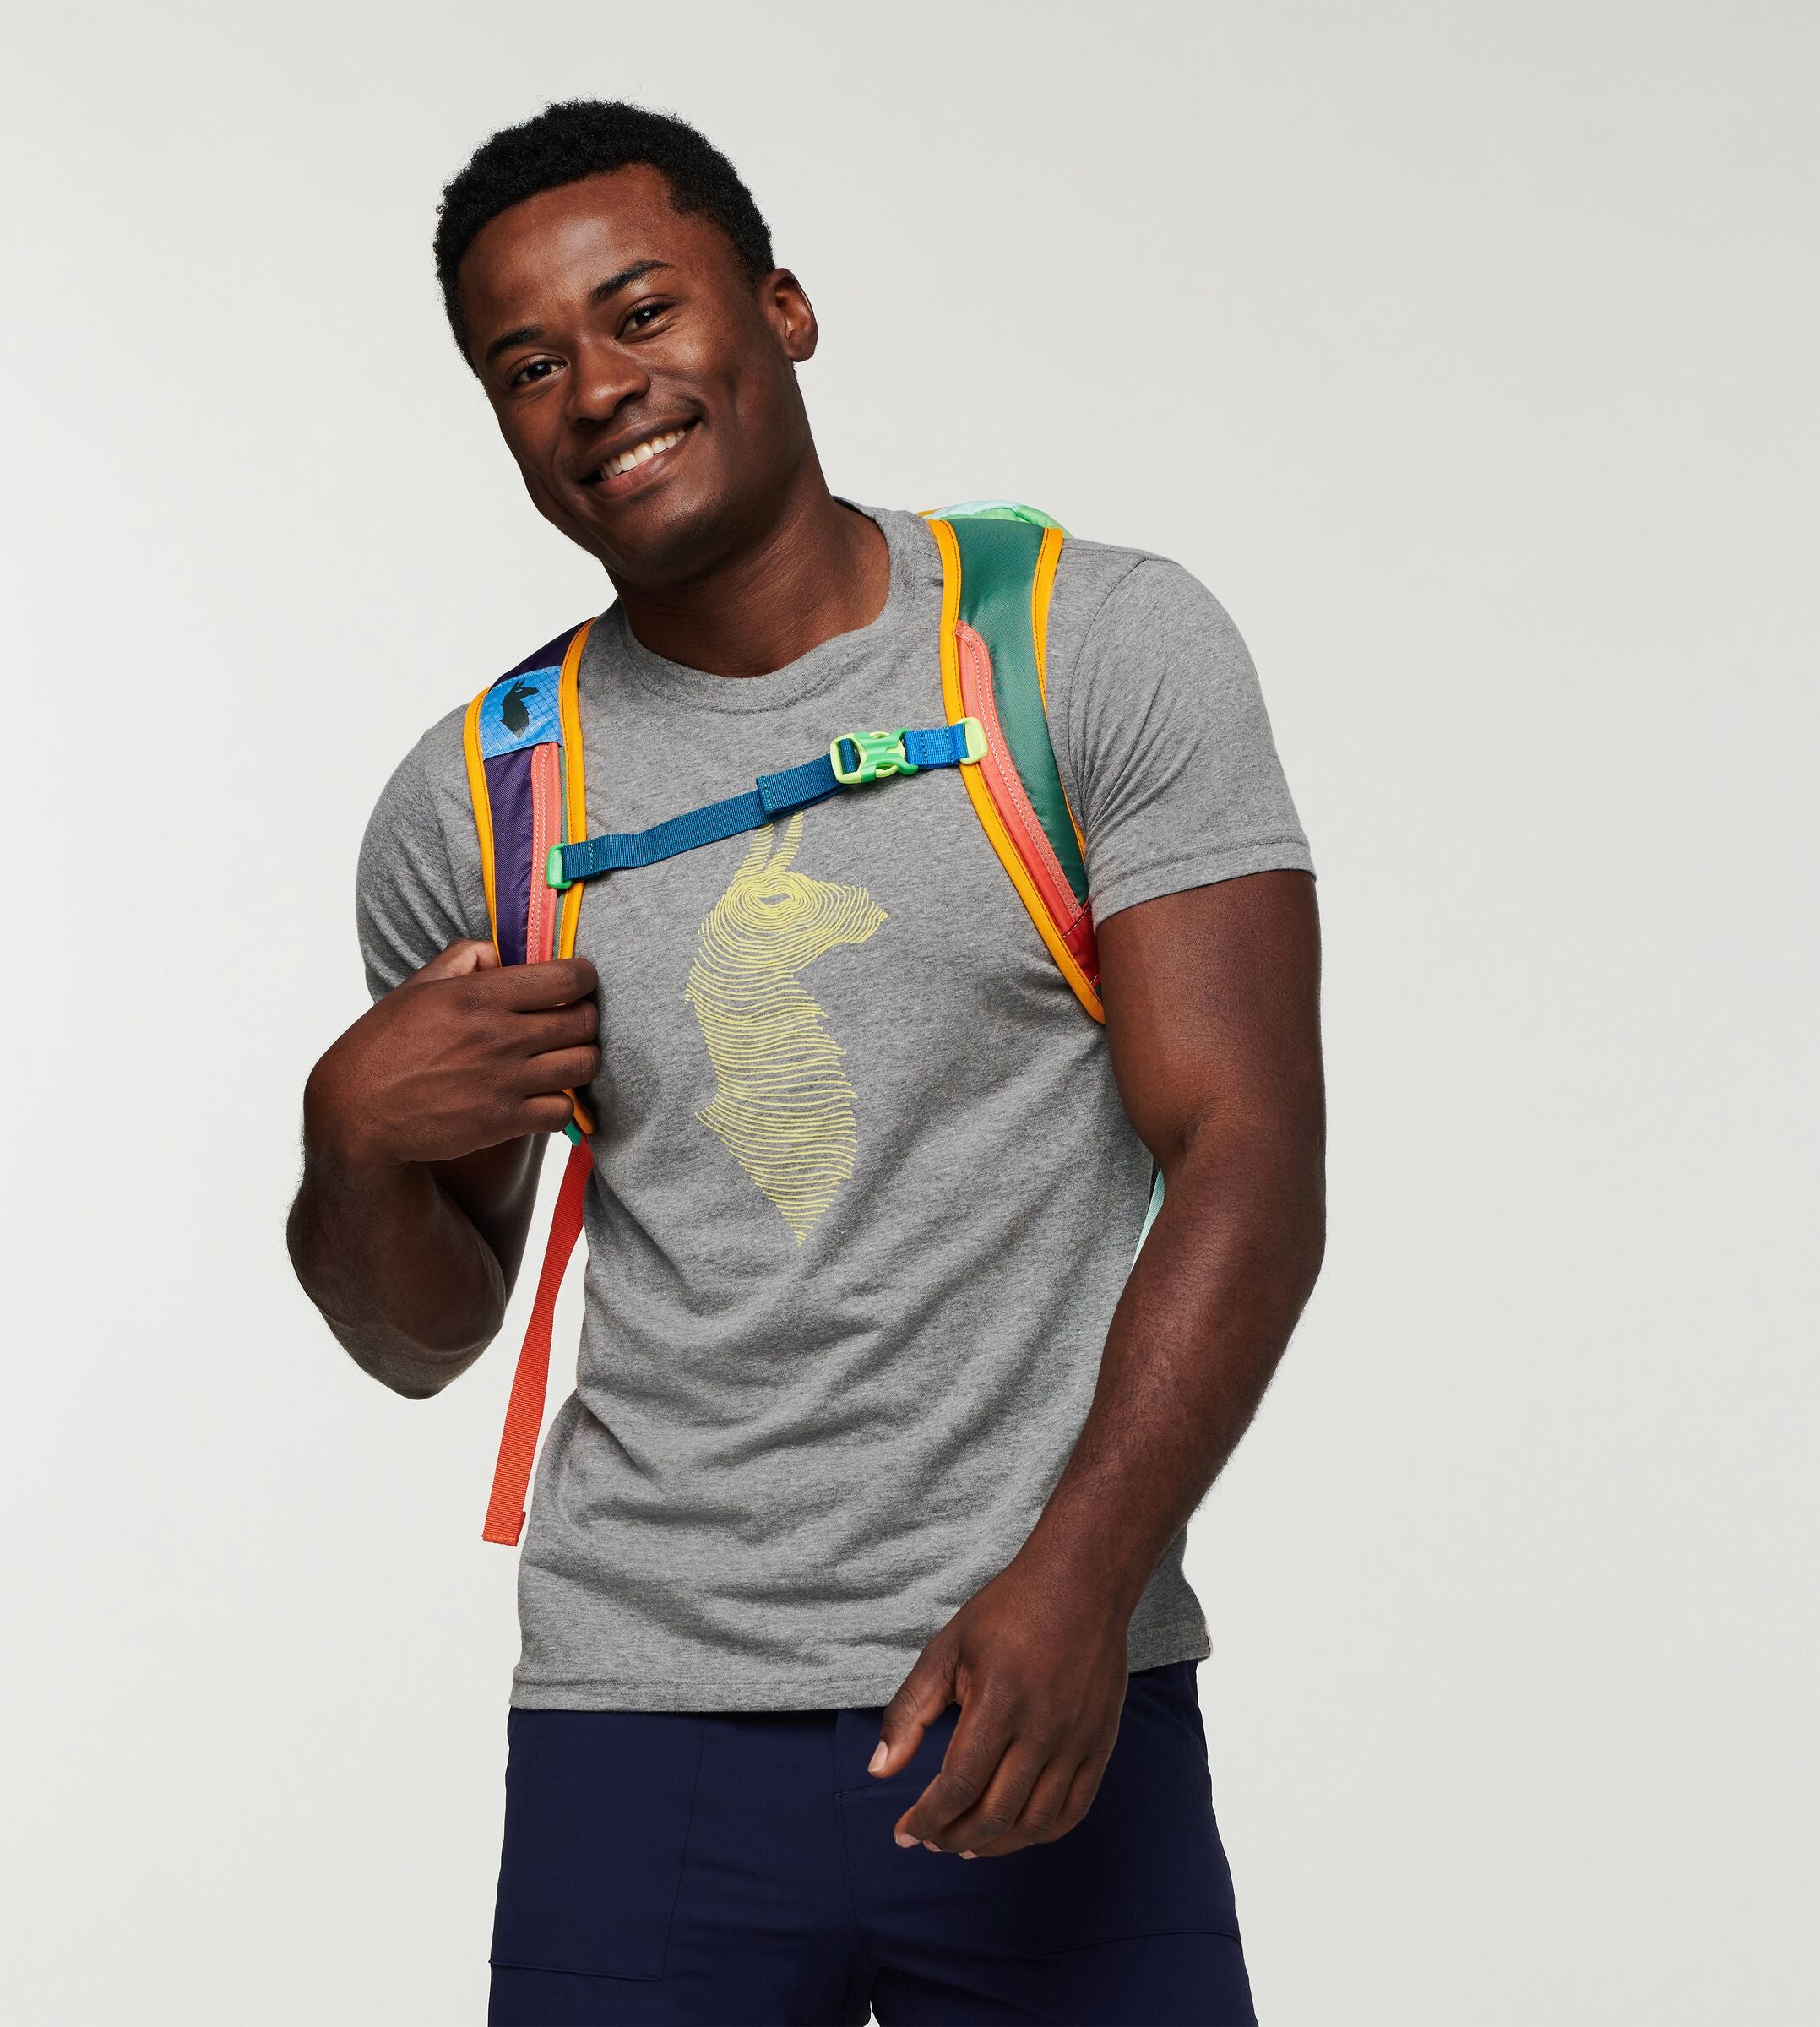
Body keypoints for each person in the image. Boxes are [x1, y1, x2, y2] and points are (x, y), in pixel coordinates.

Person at [287, 97, 1324, 2027]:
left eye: (639, 311)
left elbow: (1252, 1156)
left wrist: (1085, 1580)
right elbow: (430, 1334)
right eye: (528, 365)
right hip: (641, 1733)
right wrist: (346, 1142)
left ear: (782, 308)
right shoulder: (486, 803)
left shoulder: (1083, 652)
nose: (598, 388)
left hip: (1043, 1683)